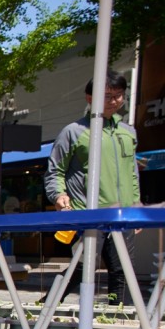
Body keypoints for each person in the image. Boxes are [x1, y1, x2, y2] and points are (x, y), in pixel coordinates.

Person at [45, 70, 141, 303]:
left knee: (121, 271)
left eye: (119, 95)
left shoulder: (128, 132)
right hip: (87, 213)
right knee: (80, 269)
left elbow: (133, 171)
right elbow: (55, 169)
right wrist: (58, 194)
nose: (115, 101)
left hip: (122, 215)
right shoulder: (74, 131)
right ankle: (45, 310)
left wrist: (136, 203)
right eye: (108, 96)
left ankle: (114, 317)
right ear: (90, 98)